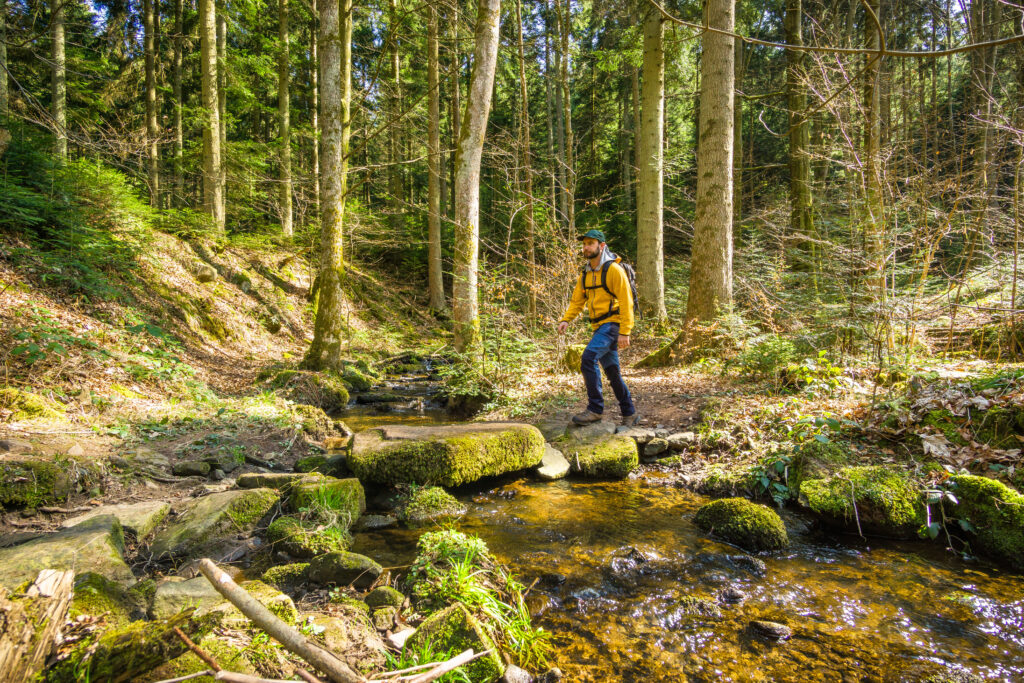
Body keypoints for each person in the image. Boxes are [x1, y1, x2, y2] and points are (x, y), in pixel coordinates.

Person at [557, 229, 639, 426]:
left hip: (612, 325)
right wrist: (566, 319)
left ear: (601, 246)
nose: (586, 247)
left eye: (590, 243)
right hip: (598, 326)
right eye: (584, 244)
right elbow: (577, 301)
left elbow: (626, 301)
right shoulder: (586, 273)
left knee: (588, 357)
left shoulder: (613, 270)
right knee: (612, 372)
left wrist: (625, 331)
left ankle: (595, 409)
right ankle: (630, 413)